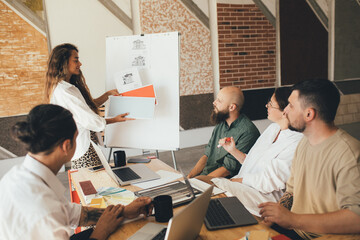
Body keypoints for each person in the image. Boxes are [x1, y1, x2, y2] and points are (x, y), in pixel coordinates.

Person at [0, 104, 152, 240]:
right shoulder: (45, 212)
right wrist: (101, 232)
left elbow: (75, 214)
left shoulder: (16, 175)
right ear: (67, 146)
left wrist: (124, 211)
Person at [259, 79, 360, 239]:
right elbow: (291, 191)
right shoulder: (304, 143)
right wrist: (270, 220)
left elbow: (356, 219)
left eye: (290, 105)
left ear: (309, 114)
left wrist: (292, 219)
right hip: (295, 231)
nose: (284, 111)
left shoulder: (349, 153)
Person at [196, 87, 303, 215]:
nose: (266, 106)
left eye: (271, 104)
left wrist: (235, 181)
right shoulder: (273, 129)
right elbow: (253, 162)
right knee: (201, 182)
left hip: (260, 196)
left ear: (284, 110)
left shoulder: (297, 142)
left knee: (204, 185)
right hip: (242, 184)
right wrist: (233, 150)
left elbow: (269, 181)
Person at [45, 43, 134, 169]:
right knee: (93, 185)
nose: (80, 64)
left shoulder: (66, 87)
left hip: (85, 145)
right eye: (76, 60)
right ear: (64, 62)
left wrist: (107, 94)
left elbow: (86, 108)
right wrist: (115, 120)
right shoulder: (64, 91)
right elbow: (88, 119)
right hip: (84, 148)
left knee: (94, 183)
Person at [187, 86, 260, 178]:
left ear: (232, 107)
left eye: (219, 100)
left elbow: (227, 169)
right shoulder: (221, 124)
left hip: (223, 184)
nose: (214, 102)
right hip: (205, 178)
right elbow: (207, 155)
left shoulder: (248, 132)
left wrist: (199, 182)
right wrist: (189, 176)